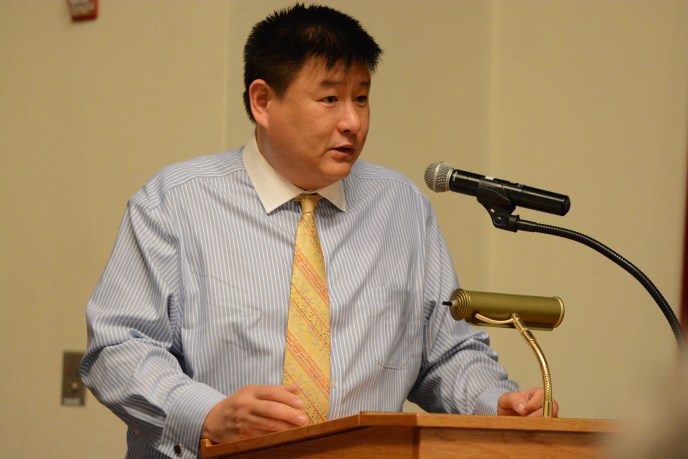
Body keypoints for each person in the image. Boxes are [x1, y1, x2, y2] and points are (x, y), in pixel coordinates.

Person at [80, 4, 558, 458]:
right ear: (263, 101)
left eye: (362, 98)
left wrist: (491, 403)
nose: (352, 121)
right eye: (329, 98)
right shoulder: (175, 202)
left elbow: (445, 351)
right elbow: (118, 348)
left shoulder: (402, 207)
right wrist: (206, 415)